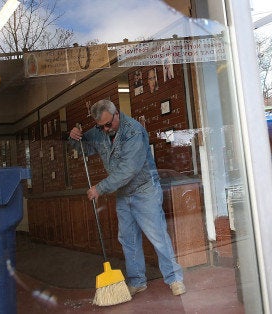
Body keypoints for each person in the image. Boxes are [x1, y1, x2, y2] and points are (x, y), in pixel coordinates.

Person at [68, 99, 185, 296]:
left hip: (144, 190)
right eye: (100, 126)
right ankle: (137, 281)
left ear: (116, 114)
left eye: (108, 124)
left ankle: (174, 279)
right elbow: (83, 148)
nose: (105, 129)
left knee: (157, 236)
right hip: (123, 193)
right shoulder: (100, 131)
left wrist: (100, 188)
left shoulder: (133, 131)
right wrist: (74, 137)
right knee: (128, 239)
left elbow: (128, 170)